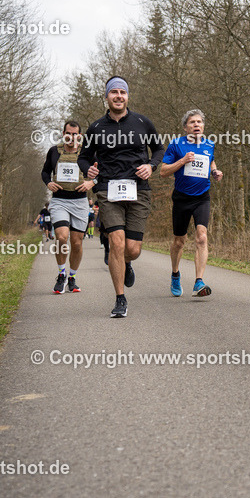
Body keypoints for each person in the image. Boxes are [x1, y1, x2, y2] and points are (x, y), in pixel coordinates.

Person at [81, 76, 164, 318]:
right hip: (108, 190)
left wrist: (151, 166)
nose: (118, 96)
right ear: (107, 96)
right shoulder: (96, 128)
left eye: (122, 92)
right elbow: (83, 157)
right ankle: (120, 298)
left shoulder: (142, 123)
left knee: (133, 249)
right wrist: (89, 170)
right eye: (114, 92)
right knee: (116, 243)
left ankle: (126, 262)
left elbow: (159, 149)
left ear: (128, 96)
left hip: (138, 189)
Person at [159, 109, 223, 297]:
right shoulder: (176, 145)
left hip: (202, 197)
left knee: (202, 237)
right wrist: (182, 161)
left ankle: (199, 282)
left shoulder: (209, 144)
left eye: (199, 122)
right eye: (192, 122)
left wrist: (215, 171)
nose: (196, 125)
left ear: (203, 126)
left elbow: (211, 161)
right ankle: (175, 274)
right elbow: (163, 172)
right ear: (185, 127)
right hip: (181, 198)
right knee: (179, 241)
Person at [42, 121, 94, 294]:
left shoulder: (86, 153)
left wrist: (91, 183)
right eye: (68, 133)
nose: (71, 137)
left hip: (79, 202)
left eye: (75, 134)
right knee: (61, 237)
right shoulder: (54, 151)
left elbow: (102, 171)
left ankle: (72, 277)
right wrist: (48, 183)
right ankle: (61, 274)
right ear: (63, 133)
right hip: (60, 201)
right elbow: (45, 172)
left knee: (77, 242)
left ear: (80, 135)